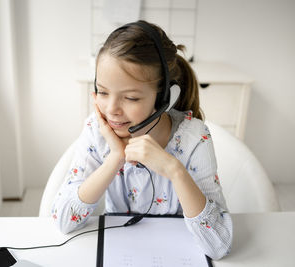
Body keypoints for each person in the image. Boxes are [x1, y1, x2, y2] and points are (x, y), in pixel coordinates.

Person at [52, 20, 232, 260]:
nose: (112, 109)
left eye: (131, 98)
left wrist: (174, 170)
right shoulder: (97, 131)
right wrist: (114, 159)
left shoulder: (194, 138)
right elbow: (64, 221)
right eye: (103, 92)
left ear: (165, 99)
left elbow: (219, 246)